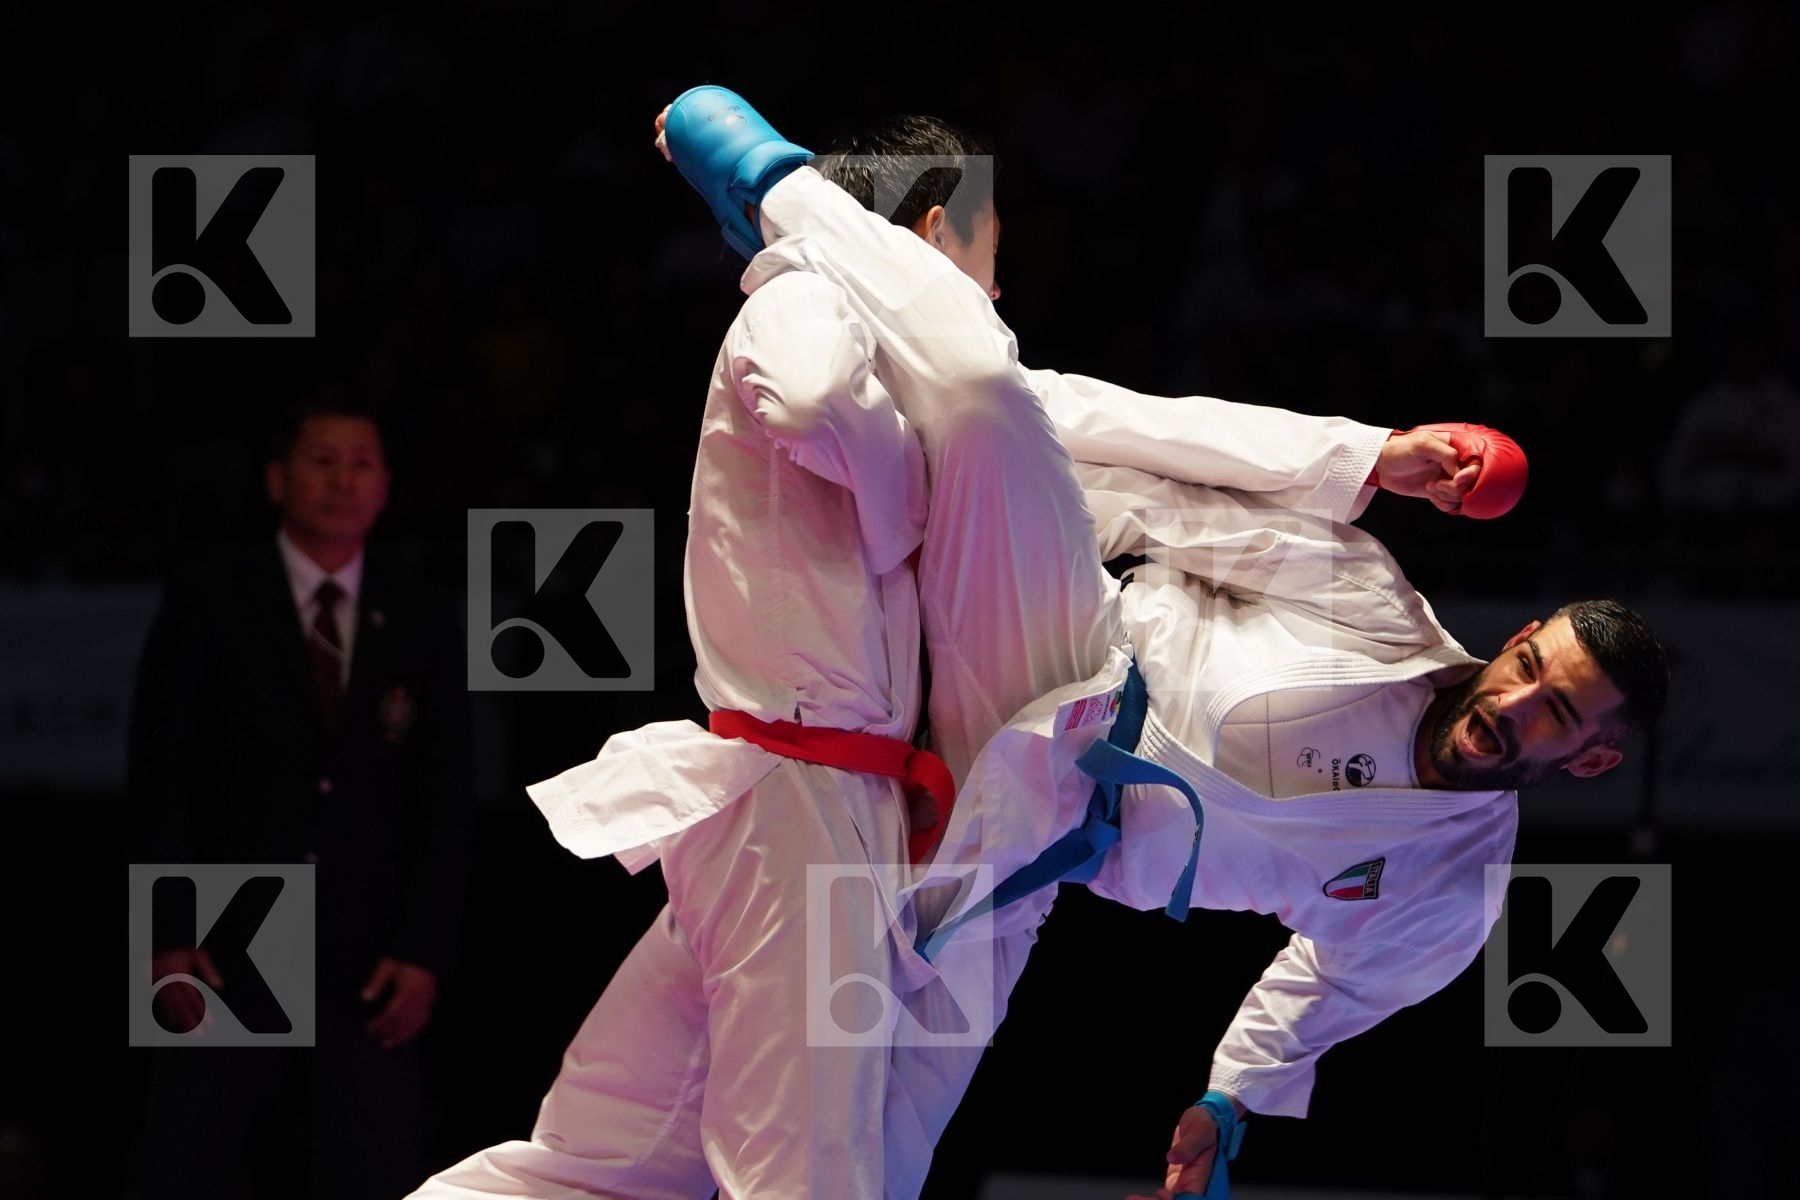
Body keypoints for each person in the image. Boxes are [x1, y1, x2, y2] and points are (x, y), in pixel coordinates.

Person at [653, 88, 1669, 1200]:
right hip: (1062, 648)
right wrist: (1369, 458)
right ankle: (780, 187)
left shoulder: (1454, 885)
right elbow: (1174, 486)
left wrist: (1229, 1098)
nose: (1517, 703)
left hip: (1044, 843)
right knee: (997, 400)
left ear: (1592, 760)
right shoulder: (1373, 605)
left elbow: (1323, 992)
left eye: (1558, 715)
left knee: (883, 1137)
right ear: (1518, 639)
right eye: (1531, 670)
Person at [129, 388, 475, 1200]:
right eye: (323, 461)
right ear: (278, 478)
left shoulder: (420, 611)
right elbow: (159, 773)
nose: (342, 481)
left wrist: (425, 947)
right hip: (225, 934)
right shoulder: (210, 595)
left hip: (369, 946)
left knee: (371, 1166)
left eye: (361, 464)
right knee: (186, 1163)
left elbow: (445, 796)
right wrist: (167, 932)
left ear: (386, 486)